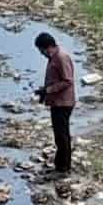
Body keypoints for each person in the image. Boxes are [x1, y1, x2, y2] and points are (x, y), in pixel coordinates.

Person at [34, 32, 76, 176]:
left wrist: (49, 89)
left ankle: (64, 167)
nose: (41, 54)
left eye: (41, 50)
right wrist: (44, 90)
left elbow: (68, 80)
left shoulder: (61, 57)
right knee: (60, 135)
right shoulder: (54, 57)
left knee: (62, 136)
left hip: (63, 103)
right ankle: (60, 165)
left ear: (48, 47)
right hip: (57, 102)